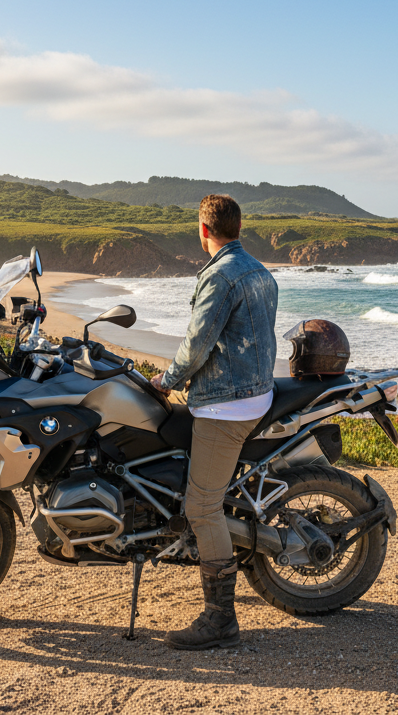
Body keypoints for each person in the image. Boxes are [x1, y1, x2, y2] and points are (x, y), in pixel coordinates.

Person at [149, 194, 278, 650]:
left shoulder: (221, 277)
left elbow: (197, 345)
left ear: (203, 230)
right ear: (237, 228)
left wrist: (165, 381)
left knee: (202, 507)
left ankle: (221, 618)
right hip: (254, 392)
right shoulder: (260, 271)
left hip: (228, 404)